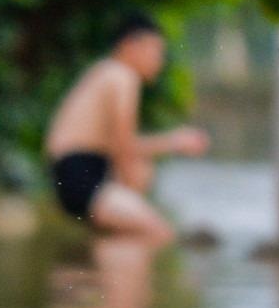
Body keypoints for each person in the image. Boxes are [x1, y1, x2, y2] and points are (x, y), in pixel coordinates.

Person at [44, 14, 209, 240]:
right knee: (159, 234)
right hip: (80, 175)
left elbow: (119, 151)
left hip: (77, 175)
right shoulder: (122, 75)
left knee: (128, 230)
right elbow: (124, 146)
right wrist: (176, 141)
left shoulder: (105, 71)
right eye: (156, 51)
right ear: (130, 46)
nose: (159, 61)